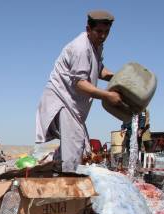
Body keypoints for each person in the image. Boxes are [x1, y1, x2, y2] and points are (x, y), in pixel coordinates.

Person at [35, 10, 125, 172]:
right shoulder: (81, 48)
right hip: (62, 100)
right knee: (74, 148)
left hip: (73, 105)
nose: (103, 36)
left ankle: (54, 174)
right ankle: (66, 186)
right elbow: (80, 84)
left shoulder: (96, 45)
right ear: (88, 29)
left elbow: (98, 69)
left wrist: (118, 77)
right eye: (99, 31)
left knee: (81, 147)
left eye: (106, 32)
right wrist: (108, 95)